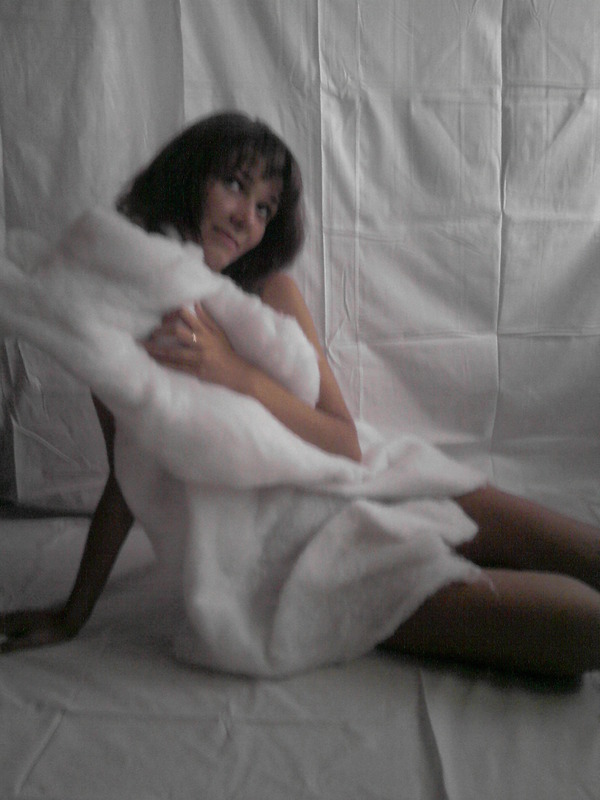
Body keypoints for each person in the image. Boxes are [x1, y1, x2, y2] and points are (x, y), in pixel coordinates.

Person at [1, 112, 599, 679]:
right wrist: (72, 614)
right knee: (581, 625)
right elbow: (126, 476)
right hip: (297, 547)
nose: (246, 217)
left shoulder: (270, 295)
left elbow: (343, 442)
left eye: (265, 207)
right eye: (235, 185)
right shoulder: (114, 321)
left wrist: (233, 370)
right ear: (186, 177)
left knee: (580, 550)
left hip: (374, 471)